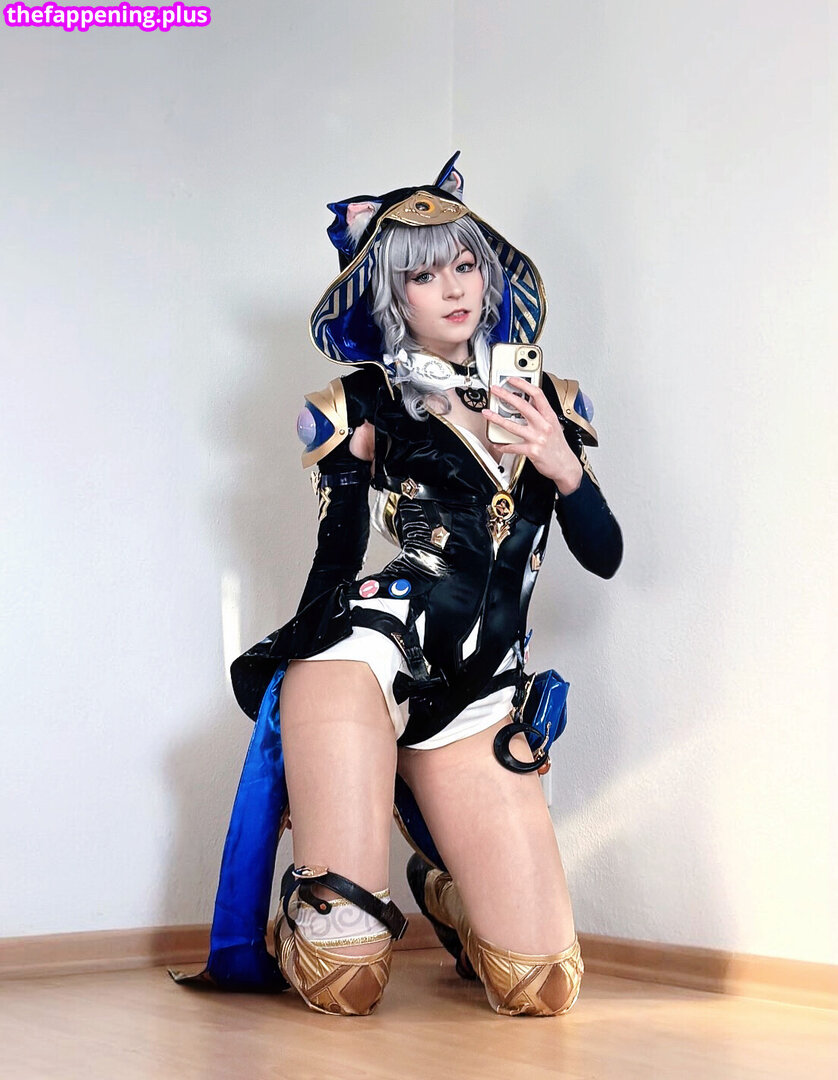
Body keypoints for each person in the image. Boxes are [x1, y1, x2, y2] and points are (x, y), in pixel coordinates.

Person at [171, 153, 622, 1018]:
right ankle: (324, 901)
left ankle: (445, 890)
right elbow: (336, 556)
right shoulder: (360, 405)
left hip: (481, 692)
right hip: (371, 660)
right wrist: (304, 715)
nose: (453, 288)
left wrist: (563, 467)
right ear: (392, 296)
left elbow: (604, 557)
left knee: (543, 987)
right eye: (423, 274)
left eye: (466, 265)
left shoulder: (550, 402)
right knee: (346, 977)